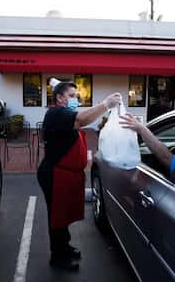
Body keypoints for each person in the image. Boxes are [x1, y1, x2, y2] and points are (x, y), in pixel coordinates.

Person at [37, 78, 121, 271]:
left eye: (77, 96)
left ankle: (64, 247)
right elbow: (82, 119)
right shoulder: (56, 113)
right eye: (72, 96)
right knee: (57, 216)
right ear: (59, 98)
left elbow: (81, 117)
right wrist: (105, 105)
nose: (76, 100)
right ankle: (58, 258)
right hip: (54, 174)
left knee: (64, 214)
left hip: (65, 174)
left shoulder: (64, 113)